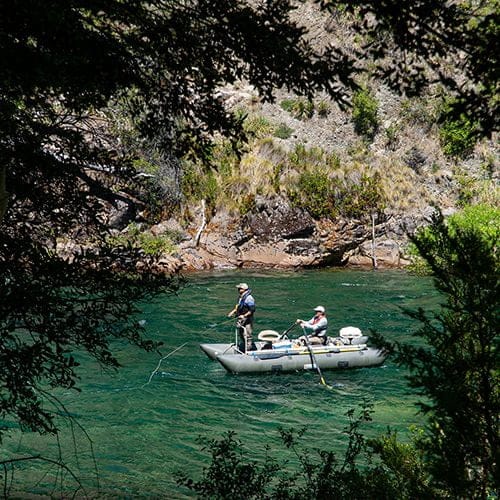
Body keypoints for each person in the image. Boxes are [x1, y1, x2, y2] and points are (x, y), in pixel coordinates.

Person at [227, 282, 256, 352]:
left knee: (247, 334)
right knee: (241, 333)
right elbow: (238, 306)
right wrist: (233, 312)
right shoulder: (240, 297)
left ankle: (248, 350)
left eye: (240, 289)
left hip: (247, 319)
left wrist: (244, 315)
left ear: (244, 289)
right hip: (240, 318)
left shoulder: (249, 298)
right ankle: (244, 345)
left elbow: (252, 310)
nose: (238, 290)